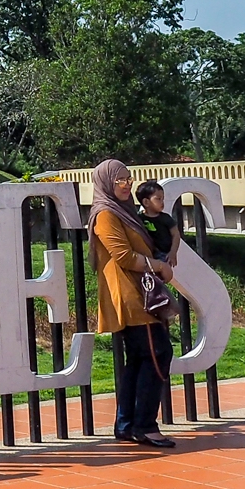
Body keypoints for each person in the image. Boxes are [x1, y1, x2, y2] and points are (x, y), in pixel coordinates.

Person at [88, 159, 175, 450]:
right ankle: (145, 425)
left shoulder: (123, 212)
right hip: (131, 298)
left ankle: (127, 425)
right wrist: (158, 267)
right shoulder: (105, 214)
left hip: (139, 294)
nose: (125, 184)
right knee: (158, 353)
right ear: (105, 183)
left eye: (128, 179)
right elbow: (124, 256)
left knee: (140, 360)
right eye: (119, 180)